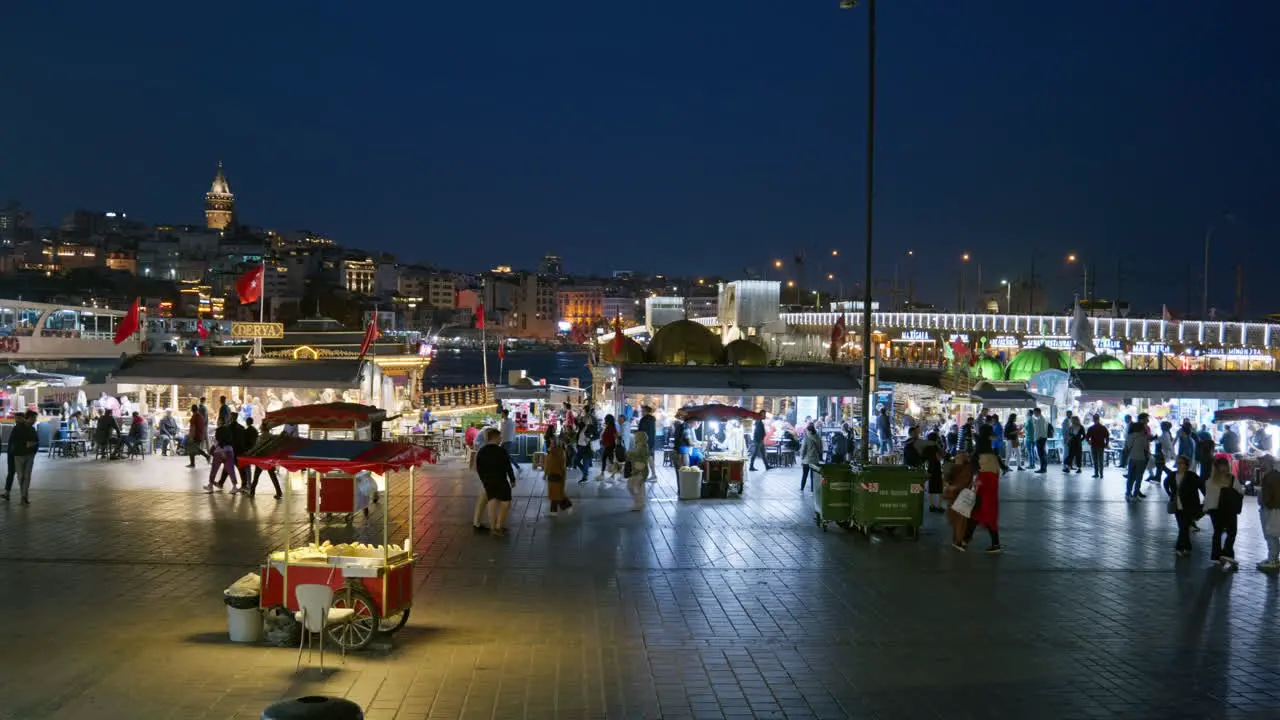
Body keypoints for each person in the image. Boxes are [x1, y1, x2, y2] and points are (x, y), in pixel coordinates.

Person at [1202, 455, 1245, 569]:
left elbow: (1240, 492)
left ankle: (1224, 553)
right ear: (1216, 467)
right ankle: (1220, 555)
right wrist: (1206, 508)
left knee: (1231, 532)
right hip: (1216, 510)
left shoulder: (1232, 479)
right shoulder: (1211, 481)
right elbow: (1209, 497)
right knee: (1219, 532)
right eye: (1221, 466)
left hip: (1228, 509)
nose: (1223, 468)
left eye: (1225, 466)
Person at [474, 428, 517, 537]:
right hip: (501, 480)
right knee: (506, 502)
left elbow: (478, 467)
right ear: (495, 438)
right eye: (500, 437)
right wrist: (512, 479)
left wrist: (484, 480)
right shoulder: (501, 451)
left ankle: (493, 527)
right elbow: (508, 467)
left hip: (488, 481)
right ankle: (498, 526)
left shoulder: (481, 451)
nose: (501, 439)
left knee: (491, 501)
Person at [1165, 455, 1204, 557]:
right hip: (1177, 506)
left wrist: (1207, 498)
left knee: (1184, 527)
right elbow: (1166, 484)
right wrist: (1171, 494)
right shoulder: (1172, 475)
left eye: (1181, 463)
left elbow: (1201, 486)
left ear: (1186, 465)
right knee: (1183, 527)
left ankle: (1179, 547)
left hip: (1189, 505)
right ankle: (1187, 547)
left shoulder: (1192, 476)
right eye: (1178, 463)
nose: (1179, 465)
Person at [966, 451, 1003, 553]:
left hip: (983, 501)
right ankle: (966, 539)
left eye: (981, 459)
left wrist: (971, 484)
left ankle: (995, 544)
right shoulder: (994, 473)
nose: (979, 461)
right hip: (991, 502)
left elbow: (979, 484)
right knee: (986, 521)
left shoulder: (984, 473)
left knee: (978, 519)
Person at [4, 411, 39, 504]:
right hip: (17, 455)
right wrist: (25, 445)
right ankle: (20, 494)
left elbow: (36, 441)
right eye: (33, 418)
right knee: (21, 476)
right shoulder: (17, 429)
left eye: (18, 418)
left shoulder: (32, 429)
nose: (35, 420)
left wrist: (33, 450)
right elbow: (14, 442)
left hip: (28, 455)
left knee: (26, 476)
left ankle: (24, 496)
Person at [944, 451, 974, 550]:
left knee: (960, 520)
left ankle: (958, 540)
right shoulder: (955, 467)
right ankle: (958, 540)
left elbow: (964, 481)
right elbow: (948, 479)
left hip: (961, 496)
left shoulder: (966, 468)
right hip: (956, 497)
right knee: (957, 519)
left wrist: (953, 487)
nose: (957, 457)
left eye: (959, 456)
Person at [1256, 456, 1280, 571]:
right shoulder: (1274, 475)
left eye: (1263, 462)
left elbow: (1268, 495)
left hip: (1271, 508)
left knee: (1270, 534)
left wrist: (1265, 503)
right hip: (1272, 507)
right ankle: (1273, 558)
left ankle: (1273, 559)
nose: (1261, 464)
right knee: (1272, 534)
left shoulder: (1270, 477)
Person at [1124, 416, 1151, 501]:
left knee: (1130, 477)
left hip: (1132, 458)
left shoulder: (1130, 436)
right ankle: (1135, 495)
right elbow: (1146, 448)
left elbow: (1128, 446)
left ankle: (1128, 493)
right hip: (1141, 459)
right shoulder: (1144, 437)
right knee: (1139, 477)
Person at [543, 437, 572, 516]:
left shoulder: (556, 452)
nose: (550, 444)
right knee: (555, 493)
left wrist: (546, 473)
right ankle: (554, 511)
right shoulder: (556, 451)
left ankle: (567, 505)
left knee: (556, 494)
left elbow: (552, 464)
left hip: (556, 474)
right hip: (554, 474)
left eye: (552, 443)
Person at [626, 430, 651, 511]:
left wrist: (629, 453)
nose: (634, 437)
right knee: (637, 486)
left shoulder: (642, 446)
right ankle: (639, 503)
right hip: (639, 469)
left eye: (636, 436)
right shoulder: (640, 445)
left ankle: (639, 503)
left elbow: (636, 454)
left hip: (640, 470)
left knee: (634, 486)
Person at [799, 423, 822, 492]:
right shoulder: (818, 437)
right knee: (813, 476)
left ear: (809, 431)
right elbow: (820, 449)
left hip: (807, 460)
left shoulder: (806, 438)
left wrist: (802, 457)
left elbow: (803, 449)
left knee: (804, 475)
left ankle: (802, 488)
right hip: (815, 459)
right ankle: (813, 489)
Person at [1085, 414, 1110, 478]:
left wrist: (1089, 442)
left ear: (1093, 420)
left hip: (1094, 445)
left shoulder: (1091, 428)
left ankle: (1096, 473)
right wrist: (1106, 444)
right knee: (1101, 460)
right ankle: (1101, 474)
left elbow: (1087, 437)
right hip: (1101, 445)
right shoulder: (1103, 428)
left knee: (1095, 460)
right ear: (1099, 419)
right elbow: (1107, 436)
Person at [500, 409, 522, 473]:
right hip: (505, 441)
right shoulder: (507, 422)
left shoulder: (509, 422)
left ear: (504, 414)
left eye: (502, 413)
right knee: (503, 455)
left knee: (507, 455)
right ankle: (504, 467)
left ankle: (517, 467)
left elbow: (504, 432)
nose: (501, 414)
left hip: (508, 441)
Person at [637, 406, 657, 479]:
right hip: (651, 441)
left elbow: (642, 431)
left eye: (642, 411)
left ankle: (651, 475)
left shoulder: (644, 419)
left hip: (644, 441)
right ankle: (652, 474)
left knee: (646, 458)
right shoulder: (652, 419)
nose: (641, 412)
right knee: (649, 457)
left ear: (646, 411)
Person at [1030, 408, 1050, 473]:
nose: (1034, 414)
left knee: (1041, 454)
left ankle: (1043, 468)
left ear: (1038, 412)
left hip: (1040, 439)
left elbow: (1041, 430)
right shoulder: (1042, 419)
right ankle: (1043, 468)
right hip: (1042, 438)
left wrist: (1038, 438)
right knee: (1042, 454)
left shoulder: (1040, 419)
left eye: (1034, 412)